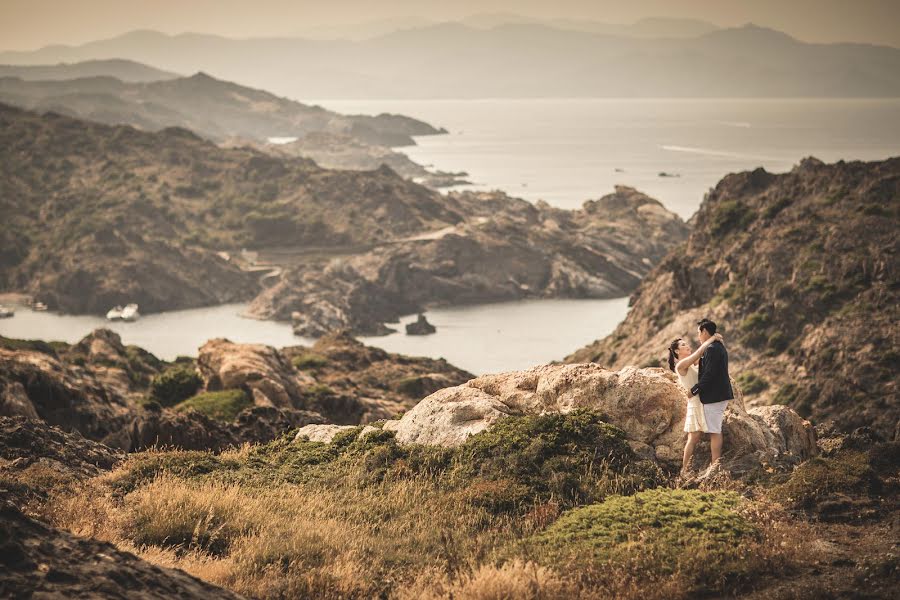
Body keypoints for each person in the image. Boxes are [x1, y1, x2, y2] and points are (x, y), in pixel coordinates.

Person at [668, 330, 724, 475]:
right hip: (695, 402)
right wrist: (711, 339)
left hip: (703, 401)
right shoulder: (680, 365)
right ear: (676, 351)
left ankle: (712, 467)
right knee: (693, 438)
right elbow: (699, 353)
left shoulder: (692, 363)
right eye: (683, 345)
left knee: (701, 435)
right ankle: (685, 470)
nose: (687, 346)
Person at [689, 318, 734, 465]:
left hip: (716, 396)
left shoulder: (712, 349)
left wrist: (694, 390)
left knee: (714, 431)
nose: (698, 337)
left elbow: (709, 374)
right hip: (718, 394)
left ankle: (715, 465)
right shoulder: (716, 346)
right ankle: (715, 463)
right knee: (714, 430)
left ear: (704, 331)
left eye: (698, 333)